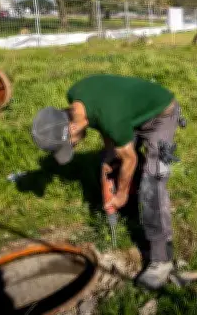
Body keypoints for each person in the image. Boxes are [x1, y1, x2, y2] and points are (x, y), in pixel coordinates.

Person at [31, 74, 183, 289]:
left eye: (70, 144)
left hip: (160, 114)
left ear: (72, 128)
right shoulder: (75, 96)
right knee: (111, 161)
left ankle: (161, 260)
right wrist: (110, 151)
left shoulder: (111, 117)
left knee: (153, 184)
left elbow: (129, 157)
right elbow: (101, 121)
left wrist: (120, 194)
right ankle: (129, 214)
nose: (73, 147)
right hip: (127, 114)